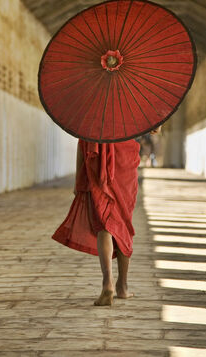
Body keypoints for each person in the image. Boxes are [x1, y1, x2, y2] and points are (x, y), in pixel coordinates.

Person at [52, 126, 161, 306]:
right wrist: (156, 126)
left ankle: (107, 283)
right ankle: (123, 287)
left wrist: (79, 177)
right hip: (125, 159)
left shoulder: (91, 103)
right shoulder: (130, 100)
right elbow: (153, 119)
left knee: (104, 221)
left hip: (96, 156)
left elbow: (82, 140)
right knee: (123, 222)